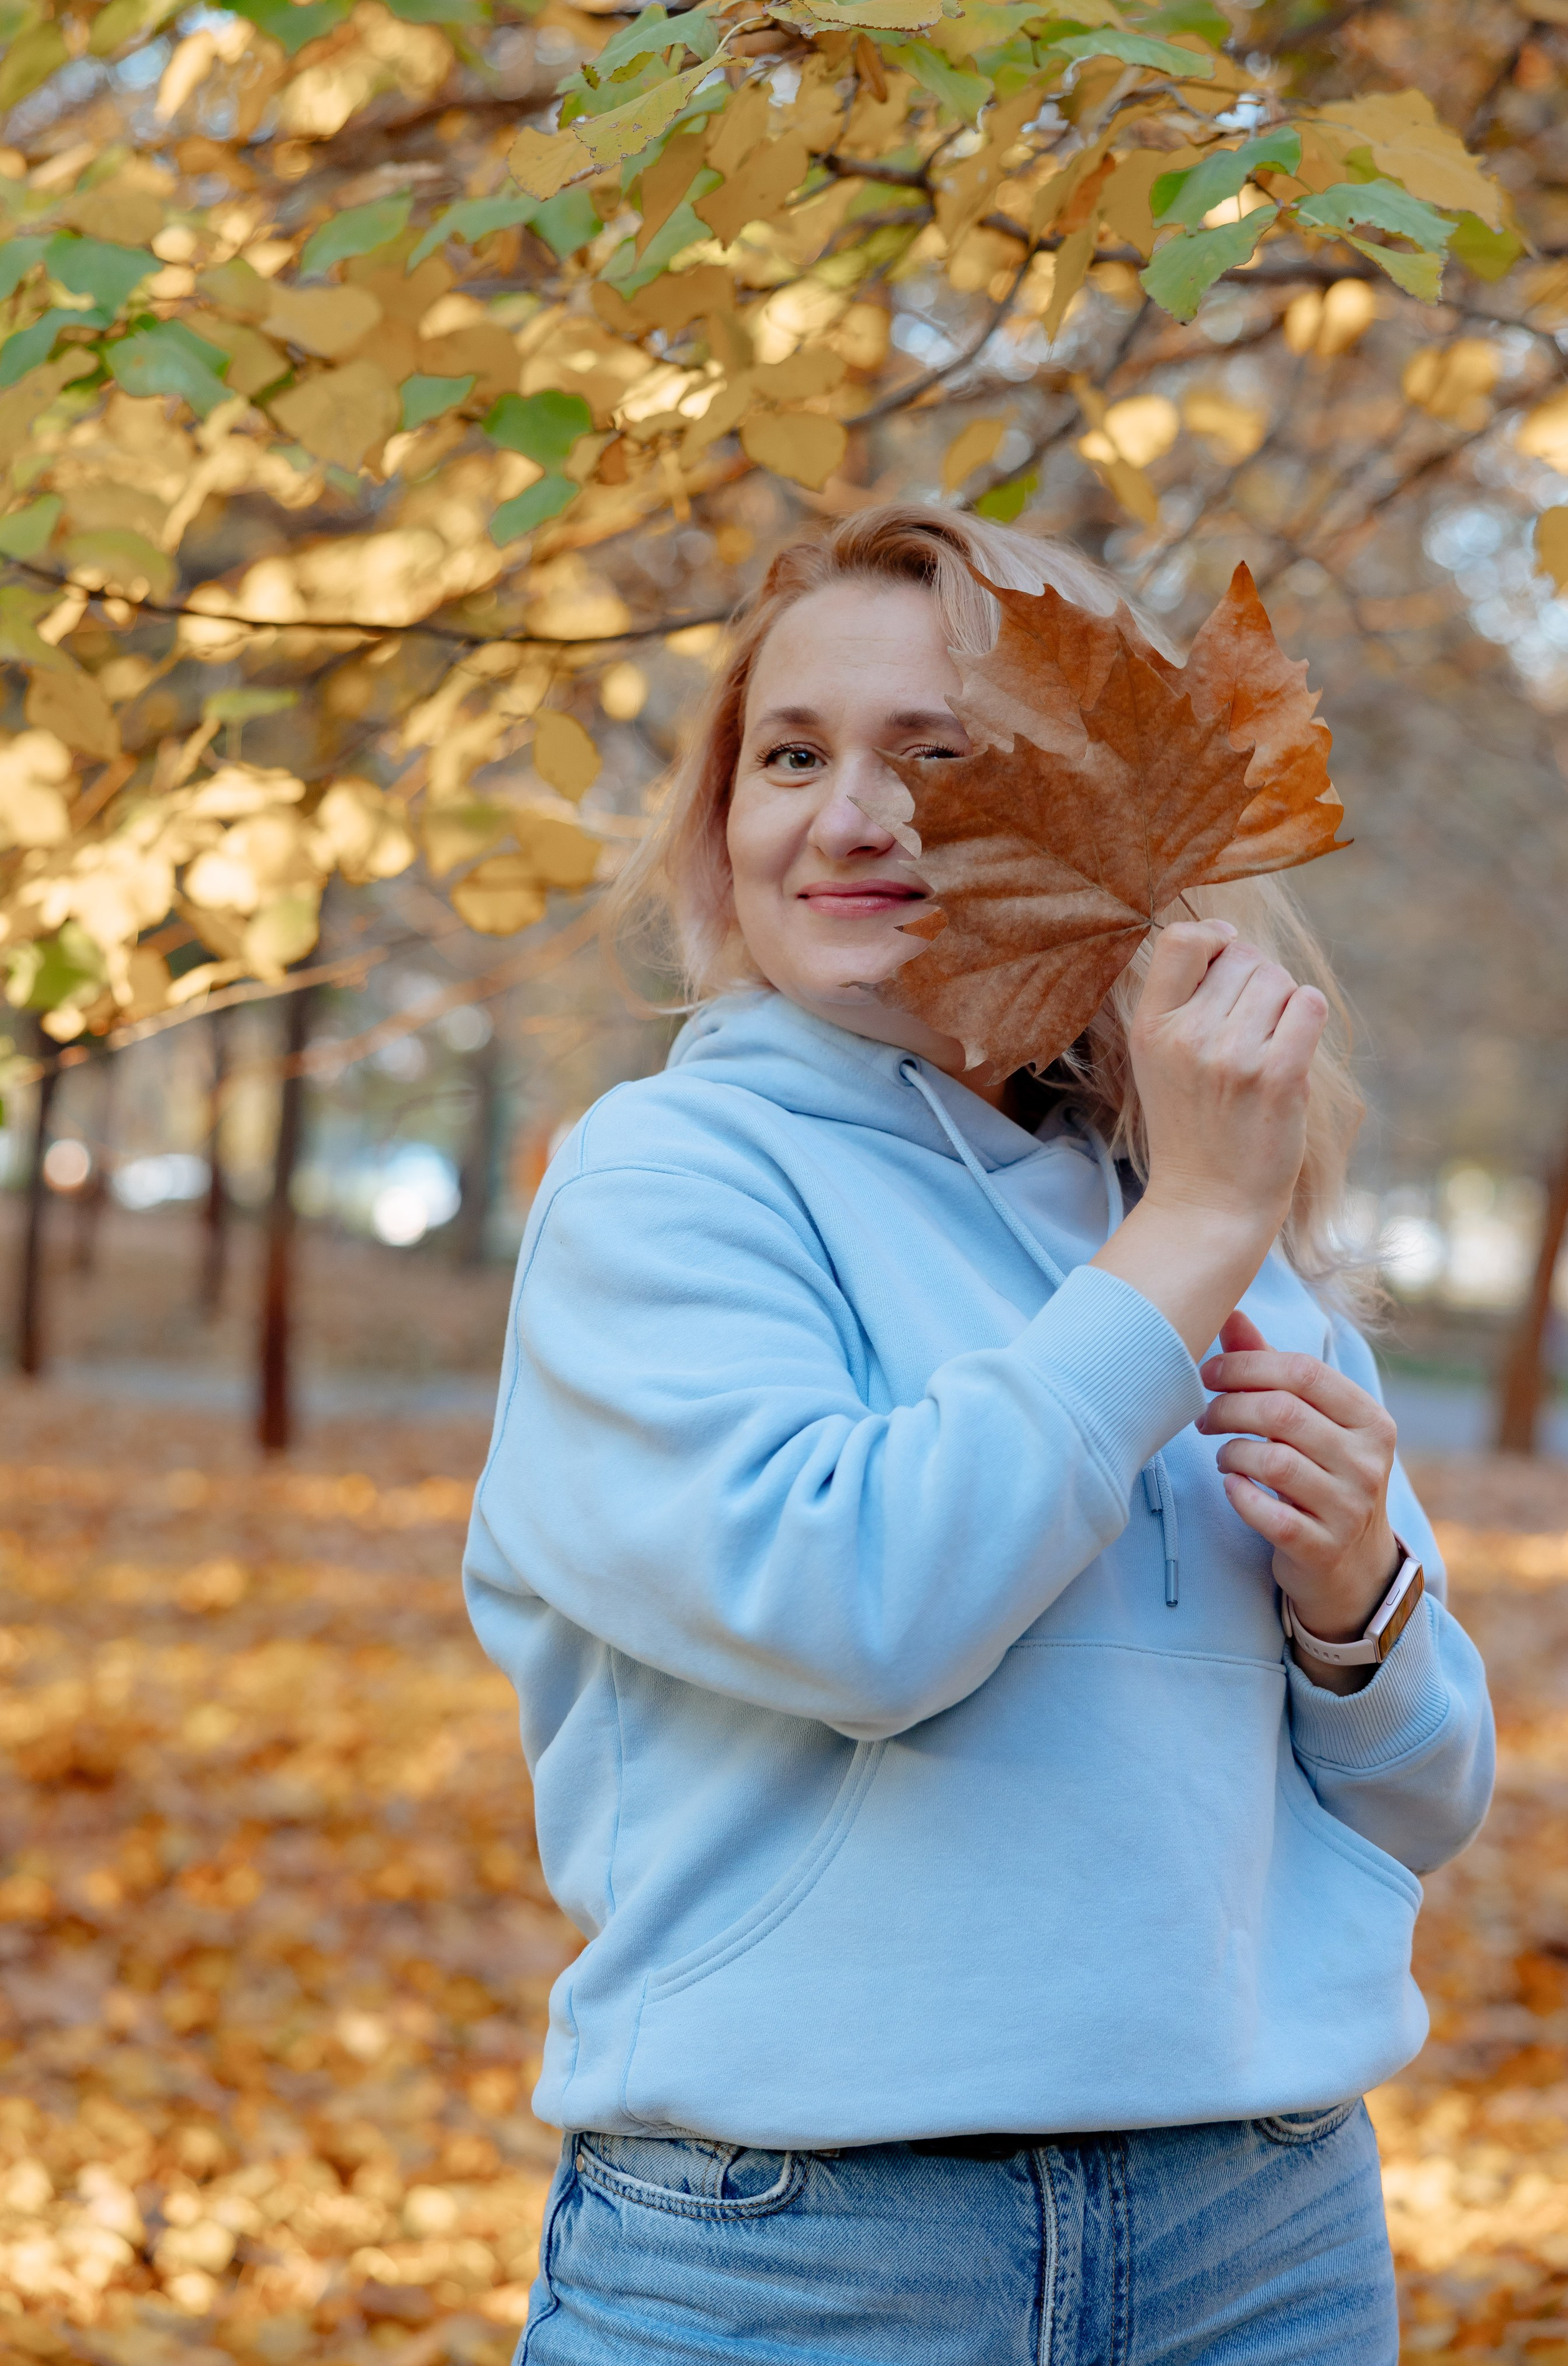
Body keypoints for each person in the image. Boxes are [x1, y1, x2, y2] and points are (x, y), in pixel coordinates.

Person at [464, 504, 1493, 2365]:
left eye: (933, 758)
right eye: (792, 756)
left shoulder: (1171, 1199)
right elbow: (863, 1611)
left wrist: (1358, 1607)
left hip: (1262, 2236)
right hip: (806, 2255)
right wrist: (1191, 1237)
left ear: (1097, 825)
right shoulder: (667, 1183)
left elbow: (1425, 1801)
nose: (847, 818)